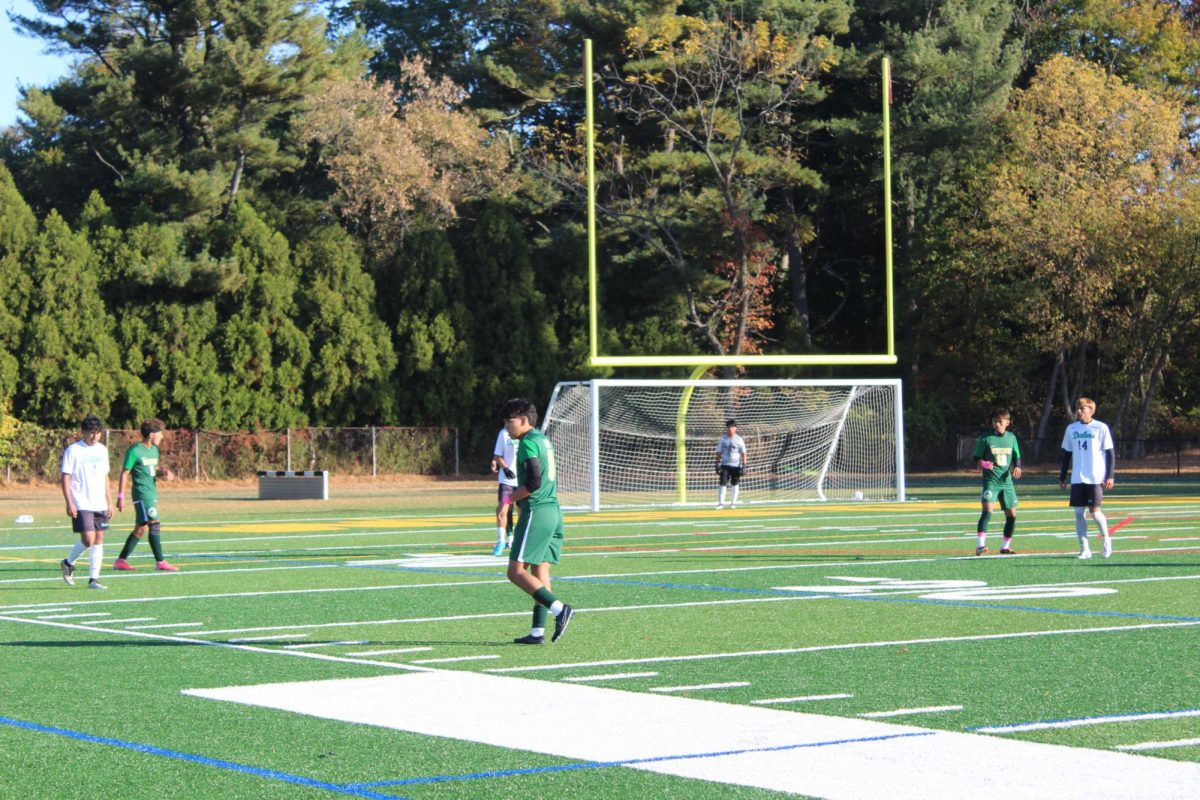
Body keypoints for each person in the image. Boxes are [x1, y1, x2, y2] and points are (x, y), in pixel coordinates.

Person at [500, 397, 574, 645]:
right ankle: (537, 632)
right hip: (553, 510)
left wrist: (508, 500)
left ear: (523, 420)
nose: (507, 428)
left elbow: (533, 483)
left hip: (537, 511)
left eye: (509, 422)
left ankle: (559, 609)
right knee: (540, 570)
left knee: (515, 571)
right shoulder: (543, 439)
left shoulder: (529, 443)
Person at [113, 418, 178, 572]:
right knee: (154, 524)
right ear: (151, 434)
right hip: (141, 494)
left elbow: (150, 471)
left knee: (140, 529)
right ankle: (160, 561)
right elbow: (124, 473)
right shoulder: (135, 450)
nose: (162, 437)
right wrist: (120, 496)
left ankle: (121, 561)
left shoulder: (154, 450)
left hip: (151, 493)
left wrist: (163, 472)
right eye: (159, 434)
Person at [60, 415, 113, 590]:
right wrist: (69, 502)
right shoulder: (73, 450)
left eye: (97, 433)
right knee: (89, 539)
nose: (94, 436)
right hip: (81, 502)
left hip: (100, 502)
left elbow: (105, 477)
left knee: (99, 538)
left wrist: (110, 502)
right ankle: (68, 563)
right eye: (91, 433)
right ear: (83, 432)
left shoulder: (102, 450)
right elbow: (66, 477)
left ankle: (94, 579)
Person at [1059, 397, 1116, 559]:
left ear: (1091, 411)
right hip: (1078, 477)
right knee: (1078, 512)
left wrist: (1110, 476)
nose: (1078, 411)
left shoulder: (1100, 427)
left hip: (1095, 477)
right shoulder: (1071, 429)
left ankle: (1106, 540)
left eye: (1082, 409)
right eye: (1077, 408)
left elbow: (1110, 453)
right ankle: (1085, 548)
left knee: (1095, 512)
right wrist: (1062, 477)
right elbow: (1067, 454)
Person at [973, 410, 1023, 556]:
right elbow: (976, 458)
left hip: (1007, 483)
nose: (997, 424)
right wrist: (983, 463)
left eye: (1000, 422)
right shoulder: (985, 438)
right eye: (995, 421)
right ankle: (980, 546)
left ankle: (1005, 547)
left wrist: (1018, 467)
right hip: (991, 482)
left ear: (1008, 422)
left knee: (1012, 516)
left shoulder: (1011, 438)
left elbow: (1016, 456)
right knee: (987, 513)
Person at [489, 425, 518, 557]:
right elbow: (498, 455)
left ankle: (516, 541)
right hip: (507, 483)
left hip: (523, 483)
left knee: (522, 512)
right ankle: (501, 541)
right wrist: (505, 468)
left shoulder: (528, 433)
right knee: (503, 510)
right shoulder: (504, 433)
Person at [715, 419, 747, 508]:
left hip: (736, 465)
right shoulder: (723, 439)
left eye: (732, 427)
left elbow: (743, 453)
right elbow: (718, 452)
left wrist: (744, 466)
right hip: (725, 465)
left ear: (735, 428)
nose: (730, 428)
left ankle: (733, 503)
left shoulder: (739, 439)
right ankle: (721, 503)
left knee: (735, 483)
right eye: (728, 427)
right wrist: (717, 464)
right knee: (722, 483)